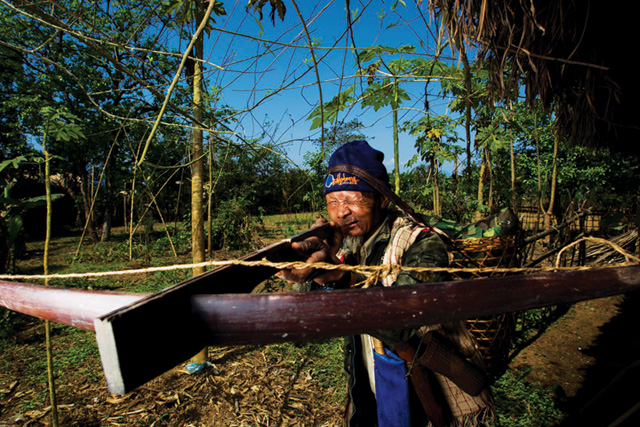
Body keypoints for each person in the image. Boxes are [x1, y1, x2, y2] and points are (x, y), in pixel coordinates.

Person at [279, 140, 494, 426]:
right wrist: (316, 269)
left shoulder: (421, 242)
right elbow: (313, 322)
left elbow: (401, 323)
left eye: (353, 199)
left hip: (427, 396)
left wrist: (341, 277)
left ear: (382, 198)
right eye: (333, 201)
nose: (341, 212)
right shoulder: (350, 247)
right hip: (371, 386)